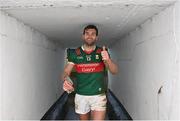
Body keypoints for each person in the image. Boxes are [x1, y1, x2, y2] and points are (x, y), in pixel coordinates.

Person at [62, 24, 118, 120]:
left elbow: (114, 71)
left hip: (98, 96)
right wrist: (66, 80)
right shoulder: (75, 53)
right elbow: (66, 72)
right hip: (81, 96)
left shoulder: (102, 52)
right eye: (87, 33)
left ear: (96, 37)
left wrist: (108, 59)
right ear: (83, 36)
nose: (89, 36)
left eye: (93, 34)